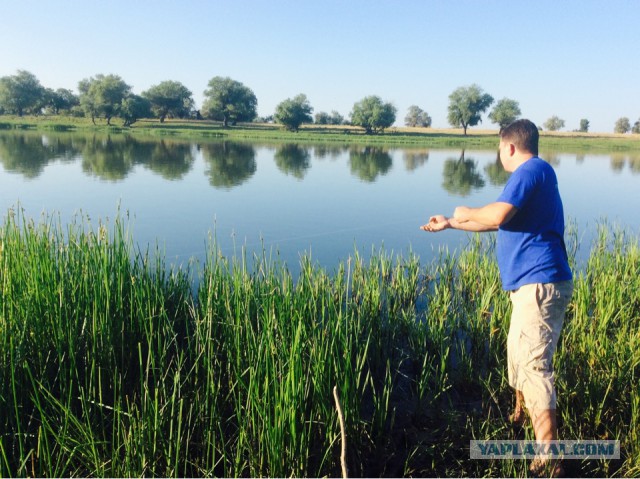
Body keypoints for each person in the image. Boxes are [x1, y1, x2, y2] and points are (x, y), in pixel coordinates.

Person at [421, 119, 573, 477]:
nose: (498, 153)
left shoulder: (529, 170)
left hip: (539, 284)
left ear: (508, 147)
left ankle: (548, 456)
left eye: (498, 147)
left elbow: (497, 213)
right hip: (531, 285)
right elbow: (496, 223)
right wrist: (450, 222)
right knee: (518, 353)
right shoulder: (537, 173)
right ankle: (520, 414)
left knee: (535, 367)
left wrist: (465, 210)